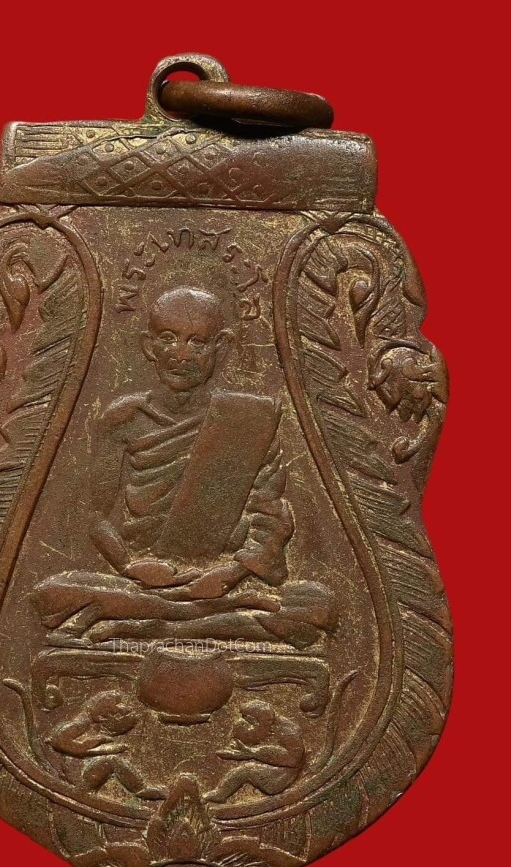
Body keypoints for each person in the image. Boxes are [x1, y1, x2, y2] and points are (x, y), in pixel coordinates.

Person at [33, 287, 335, 644]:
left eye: (197, 342)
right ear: (149, 346)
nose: (181, 354)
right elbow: (95, 515)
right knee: (53, 593)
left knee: (317, 602)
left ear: (221, 347)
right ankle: (217, 615)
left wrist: (229, 574)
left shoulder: (250, 418)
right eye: (168, 338)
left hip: (222, 580)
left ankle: (142, 621)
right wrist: (130, 565)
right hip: (143, 579)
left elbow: (270, 515)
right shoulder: (123, 418)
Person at [205, 699, 305, 802]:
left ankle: (220, 795)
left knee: (246, 770)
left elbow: (293, 759)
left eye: (246, 717)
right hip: (279, 771)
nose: (243, 720)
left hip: (281, 777)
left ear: (254, 719)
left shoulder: (288, 731)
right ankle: (220, 794)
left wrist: (254, 753)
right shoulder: (269, 724)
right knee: (245, 770)